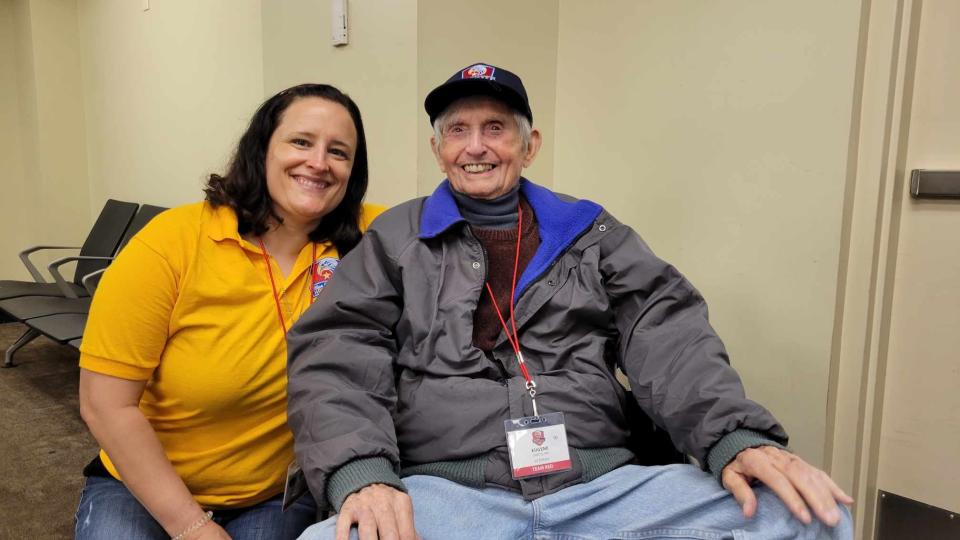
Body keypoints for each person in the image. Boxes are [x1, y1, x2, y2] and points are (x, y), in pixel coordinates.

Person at [287, 64, 854, 540]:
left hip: (601, 491)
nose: (476, 146)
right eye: (457, 130)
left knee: (811, 516)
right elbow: (337, 353)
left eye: (495, 128)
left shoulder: (591, 232)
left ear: (529, 146)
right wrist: (363, 474)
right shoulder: (394, 239)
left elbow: (667, 333)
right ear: (438, 150)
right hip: (450, 498)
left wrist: (733, 437)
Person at [75, 84, 382, 540]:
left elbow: (465, 209)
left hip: (270, 493)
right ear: (260, 149)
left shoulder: (369, 236)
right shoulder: (170, 243)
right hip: (141, 483)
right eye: (300, 142)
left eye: (339, 152)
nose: (319, 163)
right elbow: (105, 405)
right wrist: (192, 526)